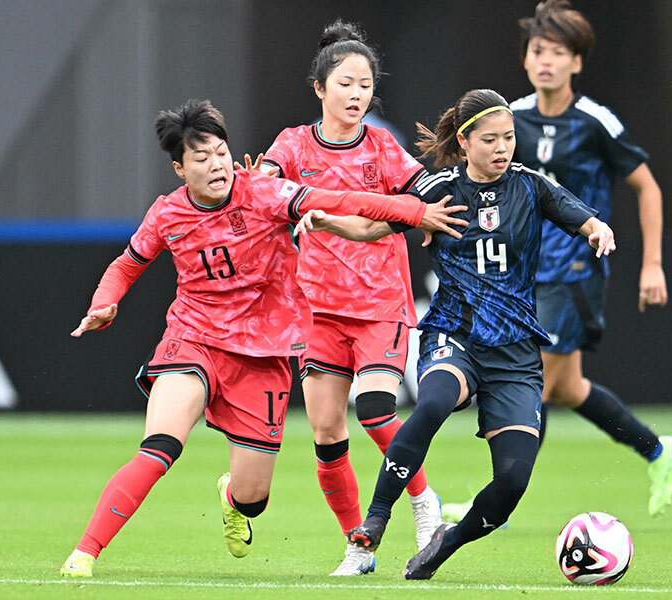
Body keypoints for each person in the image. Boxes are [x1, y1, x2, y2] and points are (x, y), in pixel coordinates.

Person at [58, 99, 466, 578]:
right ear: (179, 168)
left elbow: (339, 201)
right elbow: (128, 263)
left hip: (264, 356)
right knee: (160, 446)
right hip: (194, 339)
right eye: (201, 158)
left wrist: (412, 211)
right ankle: (83, 554)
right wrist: (104, 301)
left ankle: (232, 497)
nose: (217, 165)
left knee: (253, 500)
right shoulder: (167, 213)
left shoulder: (265, 193)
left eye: (221, 152)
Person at [296, 88, 614, 580]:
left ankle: (446, 543)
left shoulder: (532, 187)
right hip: (455, 334)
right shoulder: (439, 189)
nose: (503, 147)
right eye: (490, 139)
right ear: (465, 142)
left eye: (509, 137)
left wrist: (599, 230)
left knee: (511, 482)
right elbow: (373, 225)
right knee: (433, 403)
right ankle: (374, 523)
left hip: (514, 352)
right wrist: (326, 221)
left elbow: (583, 216)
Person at [443, 0, 672, 522]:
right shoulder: (508, 118)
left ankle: (497, 500)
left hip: (575, 271)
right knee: (569, 387)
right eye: (538, 51)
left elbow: (647, 187)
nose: (546, 61)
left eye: (558, 53)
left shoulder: (595, 121)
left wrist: (653, 264)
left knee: (536, 379)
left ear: (577, 62)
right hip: (526, 275)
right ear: (526, 59)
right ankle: (658, 450)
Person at [258, 20, 444, 576]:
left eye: (366, 84)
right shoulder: (292, 144)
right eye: (345, 83)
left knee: (378, 410)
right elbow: (264, 189)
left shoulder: (382, 147)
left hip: (380, 303)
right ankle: (358, 546)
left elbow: (420, 192)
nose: (357, 94)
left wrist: (437, 204)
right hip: (316, 307)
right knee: (325, 432)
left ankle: (423, 502)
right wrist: (280, 199)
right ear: (320, 88)